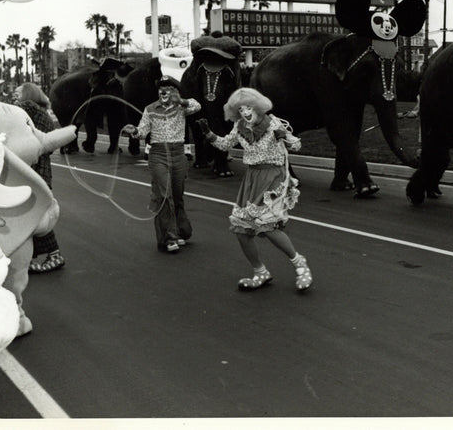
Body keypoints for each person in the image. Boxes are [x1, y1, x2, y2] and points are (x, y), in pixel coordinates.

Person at [197, 87, 312, 292]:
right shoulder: (239, 126)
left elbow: (296, 146)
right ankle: (260, 272)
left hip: (273, 176)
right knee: (242, 229)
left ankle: (299, 263)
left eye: (249, 107)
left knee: (267, 225)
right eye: (241, 109)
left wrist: (284, 137)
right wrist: (209, 135)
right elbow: (225, 145)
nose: (245, 112)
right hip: (252, 178)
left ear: (258, 107)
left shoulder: (272, 122)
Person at [123, 76, 201, 253]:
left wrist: (180, 101)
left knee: (177, 194)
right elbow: (142, 131)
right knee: (164, 195)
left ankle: (181, 231)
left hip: (178, 153)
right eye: (161, 88)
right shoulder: (150, 109)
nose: (163, 91)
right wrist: (134, 131)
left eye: (168, 88)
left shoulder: (182, 107)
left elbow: (197, 106)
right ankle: (168, 238)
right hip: (158, 154)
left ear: (175, 91)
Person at [14, 82, 66, 273]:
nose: (14, 94)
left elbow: (21, 109)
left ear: (28, 95)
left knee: (35, 217)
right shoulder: (40, 114)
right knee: (31, 216)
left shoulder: (32, 109)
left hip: (35, 173)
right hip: (36, 172)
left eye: (18, 91)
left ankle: (54, 254)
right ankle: (31, 258)